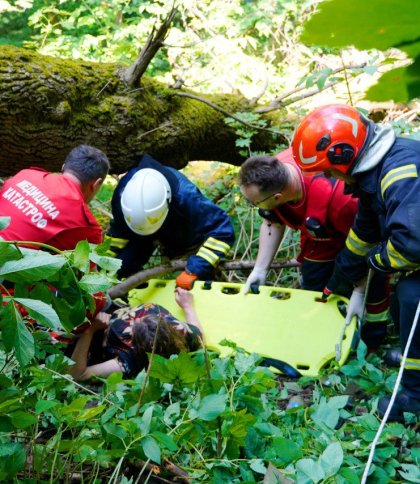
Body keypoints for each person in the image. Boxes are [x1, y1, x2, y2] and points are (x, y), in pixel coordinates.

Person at [292, 103, 420, 421]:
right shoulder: (375, 174)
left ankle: (415, 396)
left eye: (327, 169)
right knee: (404, 302)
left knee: (412, 297)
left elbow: (411, 246)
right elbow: (364, 231)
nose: (326, 177)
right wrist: (341, 278)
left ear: (342, 155)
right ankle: (410, 356)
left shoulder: (399, 174)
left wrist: (375, 263)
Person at [238, 147, 390, 348]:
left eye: (254, 203)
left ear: (277, 197)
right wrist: (260, 269)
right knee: (314, 285)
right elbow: (272, 221)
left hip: (358, 232)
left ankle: (372, 339)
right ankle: (322, 336)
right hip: (319, 236)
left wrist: (360, 291)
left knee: (373, 286)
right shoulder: (271, 172)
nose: (253, 206)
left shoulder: (343, 201)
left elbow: (370, 243)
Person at [107, 153, 235, 289]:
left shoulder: (186, 197)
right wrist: (103, 262)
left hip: (186, 235)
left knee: (202, 285)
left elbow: (223, 231)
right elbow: (119, 232)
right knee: (121, 267)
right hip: (140, 236)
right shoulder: (123, 197)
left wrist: (196, 268)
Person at [68, 287, 203, 381]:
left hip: (91, 327)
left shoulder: (128, 361)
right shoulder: (181, 331)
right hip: (113, 308)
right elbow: (200, 335)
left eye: (135, 327)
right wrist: (187, 306)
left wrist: (89, 331)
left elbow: (77, 375)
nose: (136, 319)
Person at [0, 144, 110, 250]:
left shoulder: (26, 174)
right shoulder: (87, 227)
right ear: (97, 184)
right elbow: (88, 268)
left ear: (63, 167)